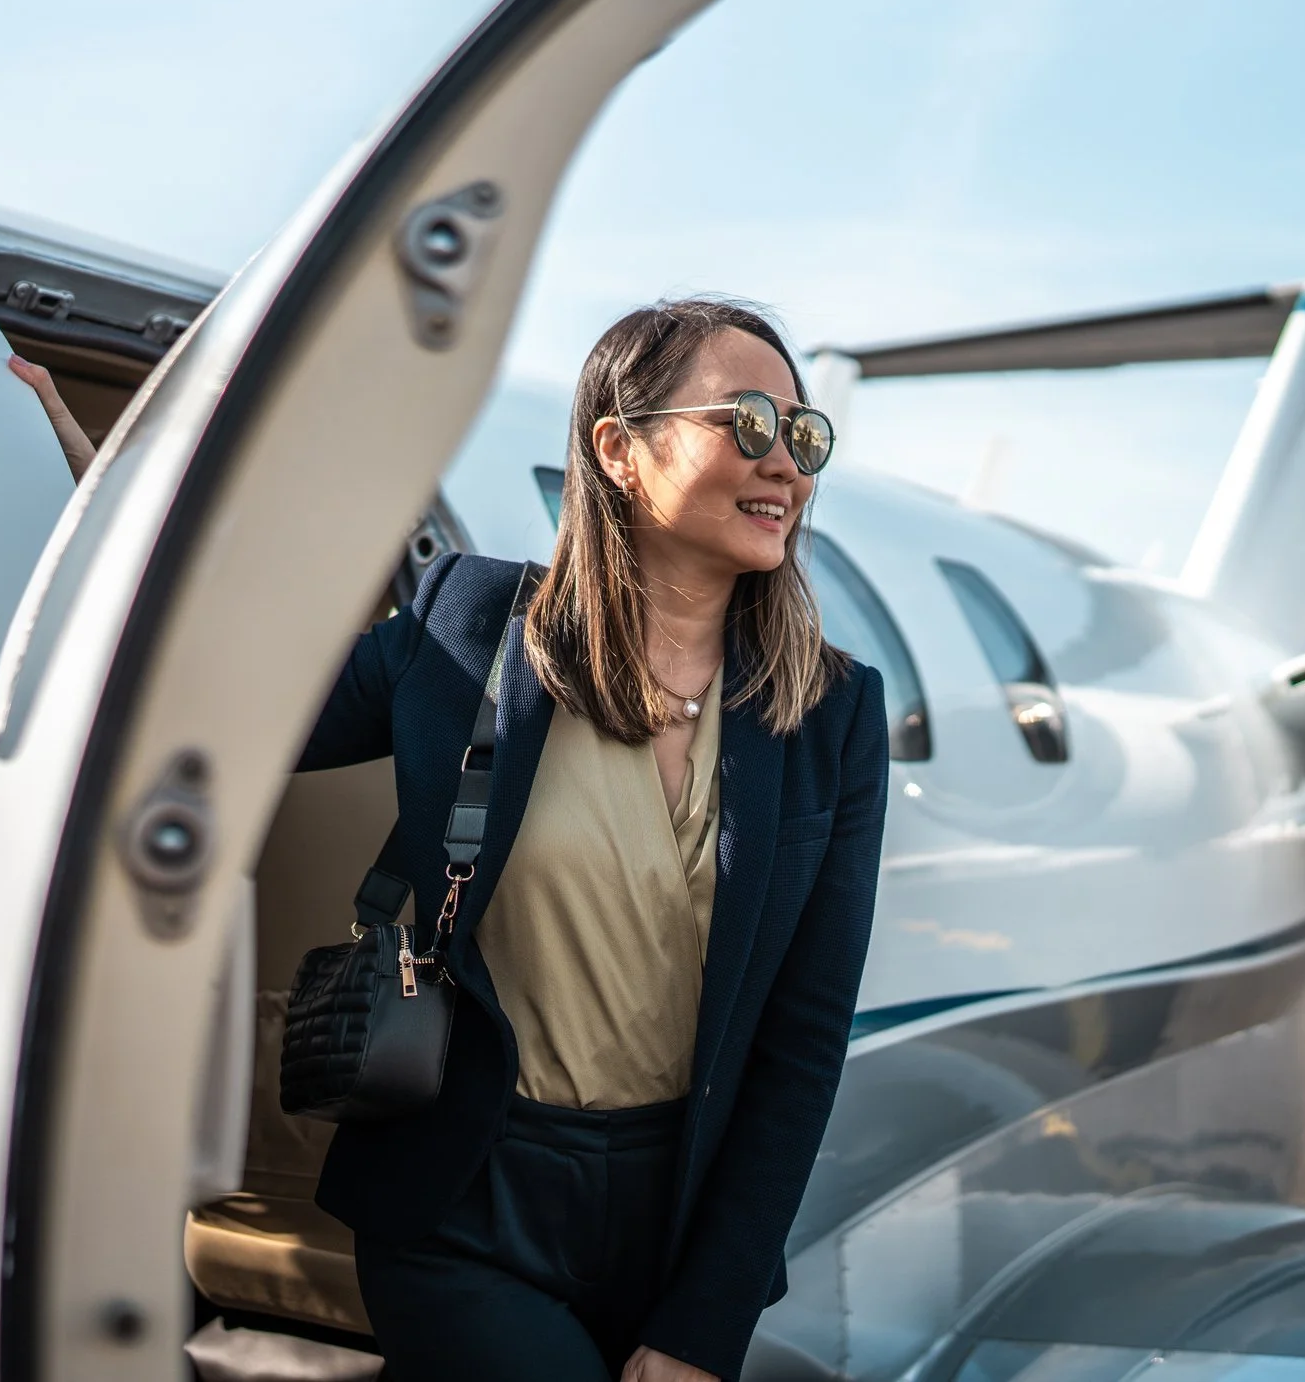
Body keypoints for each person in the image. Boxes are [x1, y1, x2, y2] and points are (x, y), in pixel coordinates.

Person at [296, 298, 889, 1382]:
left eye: (804, 438)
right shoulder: (465, 625)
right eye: (750, 422)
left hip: (675, 1219)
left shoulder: (834, 718)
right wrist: (132, 531)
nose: (787, 467)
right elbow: (231, 717)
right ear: (620, 446)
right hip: (462, 1201)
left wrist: (704, 1323)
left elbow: (801, 1049)